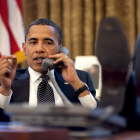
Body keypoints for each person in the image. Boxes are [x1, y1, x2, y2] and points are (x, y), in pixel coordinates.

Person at [0, 18, 97, 109]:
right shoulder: (7, 80)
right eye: (33, 42)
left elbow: (98, 119)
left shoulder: (80, 79)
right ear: (25, 49)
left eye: (48, 42)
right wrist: (5, 89)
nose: (39, 49)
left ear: (60, 50)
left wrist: (75, 83)